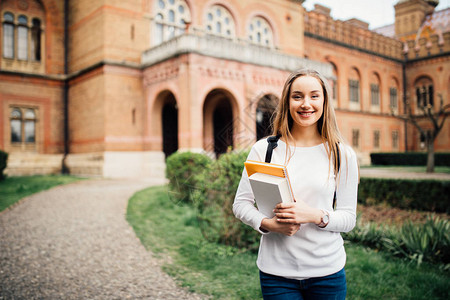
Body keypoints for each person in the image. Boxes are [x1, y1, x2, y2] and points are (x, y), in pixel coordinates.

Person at [233, 68, 359, 299]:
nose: (306, 104)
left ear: (324, 101)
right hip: (276, 274)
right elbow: (240, 205)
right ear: (287, 102)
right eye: (297, 96)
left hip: (327, 273)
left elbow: (348, 218)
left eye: (314, 95)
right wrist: (269, 224)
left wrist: (314, 215)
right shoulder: (265, 150)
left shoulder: (341, 154)